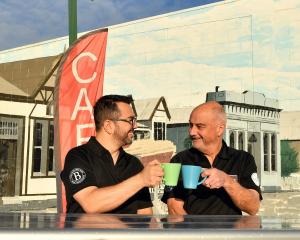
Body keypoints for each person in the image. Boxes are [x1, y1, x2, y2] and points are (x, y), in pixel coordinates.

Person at [61, 95, 163, 214]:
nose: (135, 126)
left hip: (128, 233)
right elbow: (91, 203)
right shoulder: (79, 156)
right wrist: (141, 179)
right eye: (130, 120)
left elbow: (145, 215)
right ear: (109, 126)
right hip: (88, 233)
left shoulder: (133, 164)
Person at [161, 101, 262, 215]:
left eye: (199, 126)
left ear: (219, 129)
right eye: (191, 125)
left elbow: (253, 207)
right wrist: (197, 231)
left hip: (231, 233)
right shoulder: (179, 160)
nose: (192, 132)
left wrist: (227, 181)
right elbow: (174, 207)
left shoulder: (243, 159)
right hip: (192, 231)